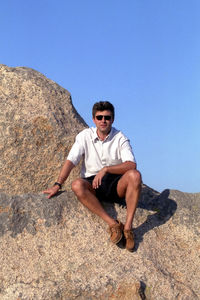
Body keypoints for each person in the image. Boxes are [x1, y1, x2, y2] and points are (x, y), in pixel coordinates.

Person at [43, 101, 141, 251]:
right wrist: (58, 184)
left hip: (116, 184)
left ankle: (128, 228)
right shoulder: (84, 136)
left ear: (112, 119)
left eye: (107, 117)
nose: (103, 121)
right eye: (99, 117)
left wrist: (106, 169)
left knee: (135, 175)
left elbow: (131, 165)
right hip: (92, 185)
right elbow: (71, 161)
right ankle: (113, 224)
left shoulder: (120, 137)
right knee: (76, 185)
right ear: (94, 119)